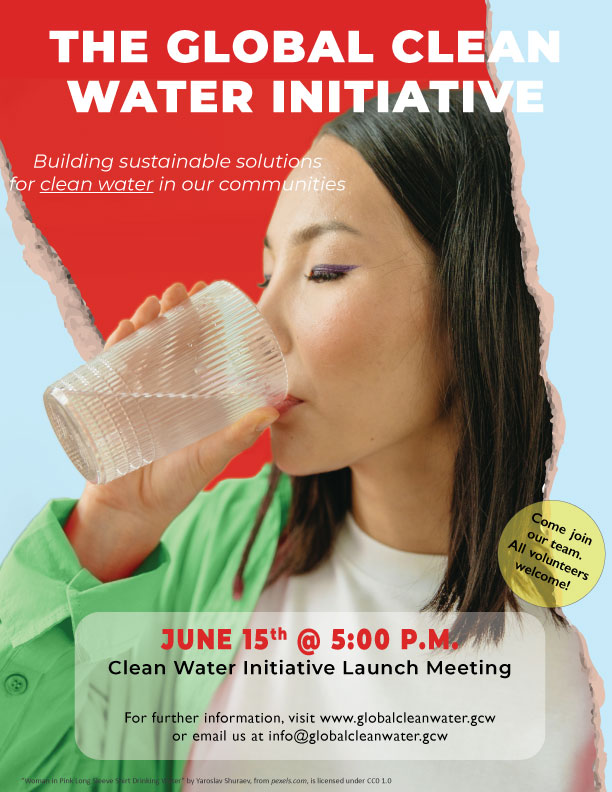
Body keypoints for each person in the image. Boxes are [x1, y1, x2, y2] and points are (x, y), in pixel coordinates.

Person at [0, 93, 596, 791]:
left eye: (324, 272)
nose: (262, 321)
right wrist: (110, 529)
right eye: (265, 274)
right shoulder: (207, 549)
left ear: (481, 292)